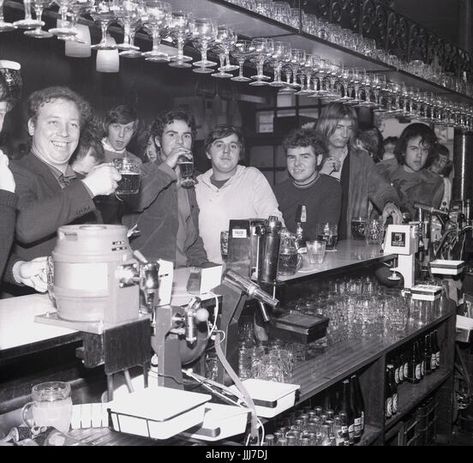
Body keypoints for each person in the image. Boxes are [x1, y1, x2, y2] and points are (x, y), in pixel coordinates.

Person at [4, 86, 121, 293]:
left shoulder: (79, 182)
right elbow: (24, 227)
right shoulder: (13, 172)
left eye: (73, 125)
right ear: (32, 126)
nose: (65, 133)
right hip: (30, 306)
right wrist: (89, 187)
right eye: (53, 122)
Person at [123, 109, 208, 267]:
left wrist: (203, 266)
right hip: (148, 272)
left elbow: (192, 237)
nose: (180, 142)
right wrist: (168, 165)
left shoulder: (189, 182)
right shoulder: (142, 172)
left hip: (181, 271)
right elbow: (138, 200)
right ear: (157, 141)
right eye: (172, 135)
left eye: (186, 136)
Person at [195, 125, 283, 264]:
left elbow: (274, 220)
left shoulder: (252, 177)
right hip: (204, 269)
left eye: (233, 146)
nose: (226, 151)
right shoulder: (196, 185)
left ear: (239, 153)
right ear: (208, 153)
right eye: (219, 145)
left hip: (246, 271)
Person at [316, 102, 402, 238]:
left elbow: (381, 187)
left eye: (349, 128)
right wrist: (319, 176)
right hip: (315, 237)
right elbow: (292, 195)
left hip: (349, 238)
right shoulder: (311, 156)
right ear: (326, 125)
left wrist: (389, 203)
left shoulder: (361, 159)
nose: (345, 134)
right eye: (339, 127)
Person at [274, 128, 341, 243]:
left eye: (305, 157)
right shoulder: (277, 191)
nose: (297, 164)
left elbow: (324, 236)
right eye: (292, 157)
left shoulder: (330, 188)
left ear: (318, 159)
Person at [375, 123, 444, 220]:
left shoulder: (435, 182)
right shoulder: (382, 170)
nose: (419, 155)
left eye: (424, 150)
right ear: (403, 150)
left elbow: (431, 221)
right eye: (414, 149)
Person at [429, 143, 452, 209]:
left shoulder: (446, 182)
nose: (439, 163)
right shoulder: (420, 176)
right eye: (437, 158)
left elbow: (445, 206)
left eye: (443, 160)